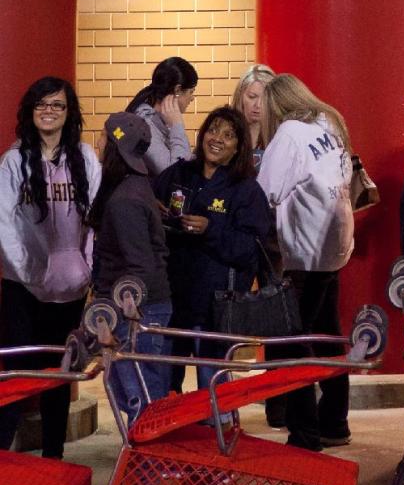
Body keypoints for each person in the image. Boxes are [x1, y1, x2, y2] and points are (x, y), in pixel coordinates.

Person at [0, 77, 100, 458]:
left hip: (70, 289)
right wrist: (26, 271)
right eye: (41, 104)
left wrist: (87, 268)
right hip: (22, 288)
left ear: (68, 113)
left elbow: (95, 222)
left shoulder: (85, 158)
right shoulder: (14, 161)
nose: (49, 111)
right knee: (19, 376)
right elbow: (5, 224)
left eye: (57, 105)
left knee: (59, 377)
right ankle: (5, 463)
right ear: (30, 111)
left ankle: (54, 459)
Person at [257, 73, 354, 450]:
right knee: (328, 337)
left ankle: (304, 433)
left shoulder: (290, 133)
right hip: (334, 248)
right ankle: (334, 422)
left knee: (290, 343)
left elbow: (266, 191)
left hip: (302, 252)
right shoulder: (329, 124)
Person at [154, 106, 271, 387]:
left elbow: (249, 249)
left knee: (213, 390)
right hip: (173, 301)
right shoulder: (179, 174)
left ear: (238, 148)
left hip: (215, 309)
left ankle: (216, 427)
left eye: (229, 135)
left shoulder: (246, 190)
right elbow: (148, 206)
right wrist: (154, 212)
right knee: (166, 386)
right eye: (213, 129)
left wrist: (210, 229)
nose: (217, 138)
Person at [88, 112, 173, 426]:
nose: (97, 142)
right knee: (132, 392)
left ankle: (152, 471)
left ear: (114, 146)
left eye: (103, 136)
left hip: (138, 310)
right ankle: (153, 468)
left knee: (142, 399)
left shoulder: (125, 199)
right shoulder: (135, 186)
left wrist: (118, 313)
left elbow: (138, 264)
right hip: (143, 306)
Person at [127, 57, 199, 176]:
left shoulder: (159, 121)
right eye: (191, 92)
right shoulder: (144, 126)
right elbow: (176, 176)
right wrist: (177, 126)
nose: (192, 98)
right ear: (178, 90)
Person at [231, 64, 276, 171]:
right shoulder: (223, 128)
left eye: (265, 98)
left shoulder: (282, 133)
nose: (258, 104)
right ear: (240, 96)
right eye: (252, 97)